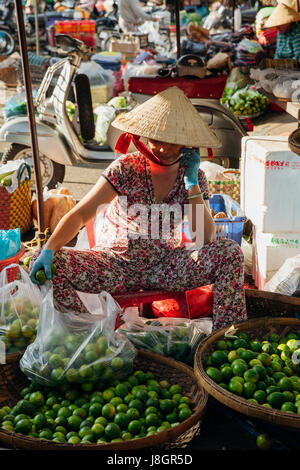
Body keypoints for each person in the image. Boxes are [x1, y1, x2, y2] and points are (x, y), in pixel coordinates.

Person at [29, 86, 247, 331]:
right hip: (114, 264)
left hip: (166, 266)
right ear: (143, 137)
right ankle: (86, 334)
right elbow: (81, 214)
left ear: (187, 143)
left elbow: (203, 238)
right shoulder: (125, 168)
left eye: (173, 142)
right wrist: (49, 248)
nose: (163, 149)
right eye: (156, 140)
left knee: (230, 253)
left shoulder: (195, 176)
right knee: (42, 260)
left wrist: (192, 184)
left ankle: (227, 337)